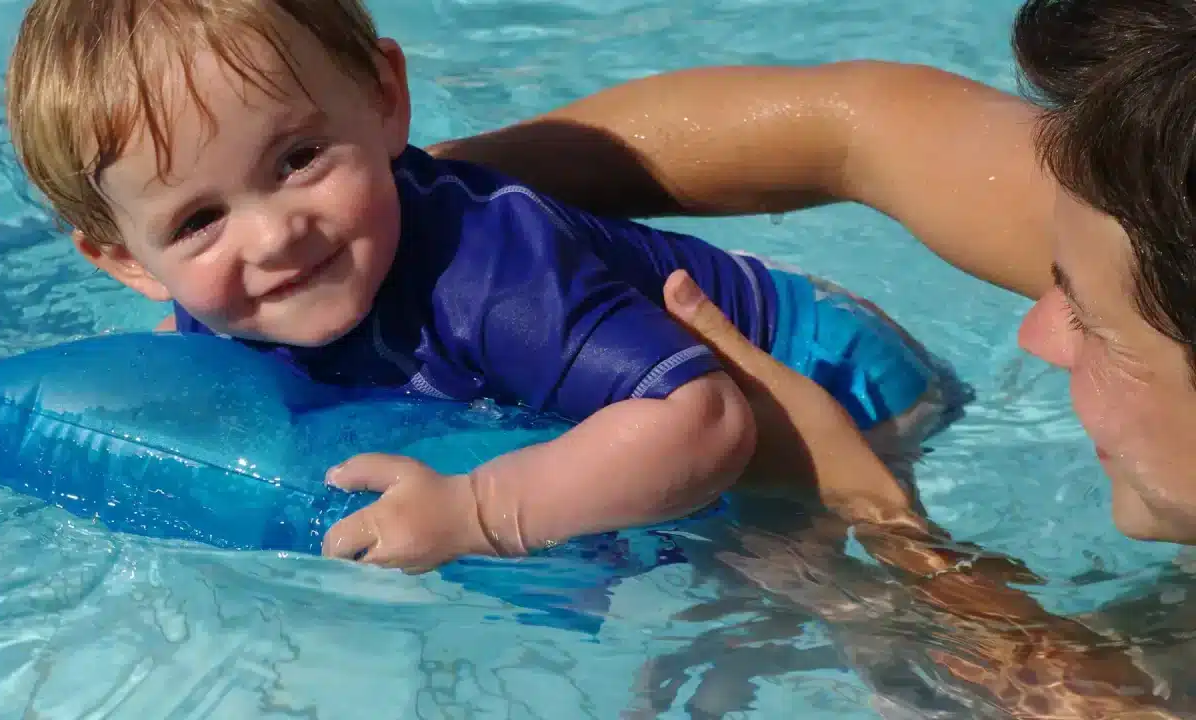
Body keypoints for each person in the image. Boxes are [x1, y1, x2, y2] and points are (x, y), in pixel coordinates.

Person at [427, 0, 1196, 715]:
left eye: (1091, 322)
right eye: (1052, 275)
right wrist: (427, 204)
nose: (1038, 333)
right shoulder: (1148, 211)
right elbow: (851, 126)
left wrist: (873, 518)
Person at [3, 0, 947, 574]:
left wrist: (482, 514)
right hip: (654, 384)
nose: (275, 232)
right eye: (198, 221)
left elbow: (704, 421)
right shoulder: (216, 306)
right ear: (128, 260)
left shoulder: (490, 272)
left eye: (297, 157)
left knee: (805, 593)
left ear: (384, 101)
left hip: (825, 375)